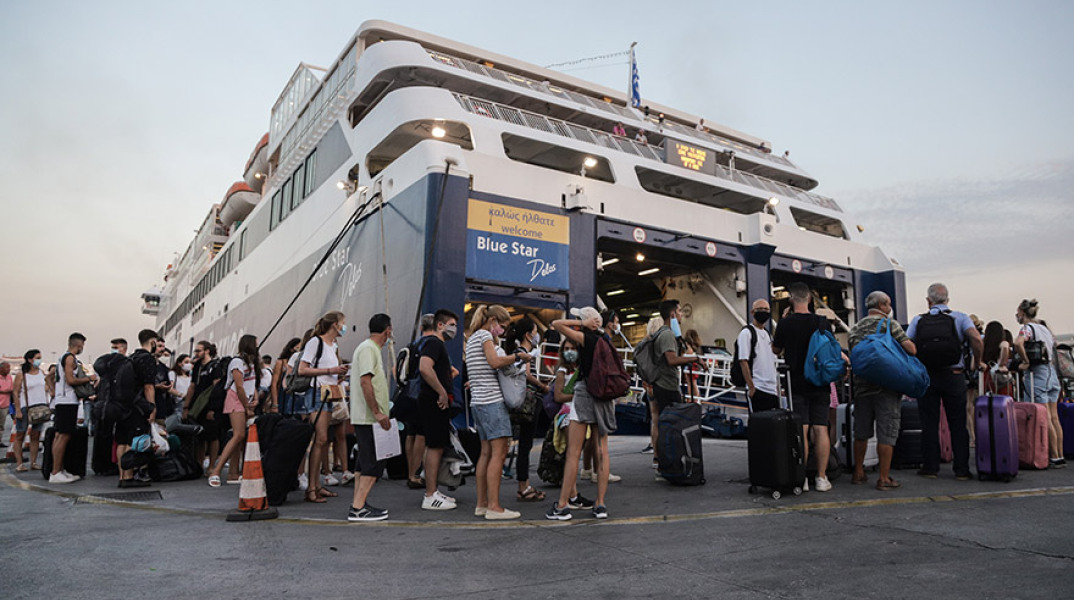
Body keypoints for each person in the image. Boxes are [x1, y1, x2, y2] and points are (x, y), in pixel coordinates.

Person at [546, 307, 617, 520]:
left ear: (587, 322)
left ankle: (562, 506)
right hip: (604, 395)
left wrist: (581, 326)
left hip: (585, 393)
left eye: (579, 318)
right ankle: (601, 504)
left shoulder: (585, 338)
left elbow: (556, 325)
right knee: (602, 449)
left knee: (573, 452)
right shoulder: (606, 340)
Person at [772, 282, 844, 492]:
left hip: (797, 383)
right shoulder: (822, 322)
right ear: (810, 299)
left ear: (790, 300)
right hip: (820, 382)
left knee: (801, 430)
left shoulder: (786, 323)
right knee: (821, 428)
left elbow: (776, 349)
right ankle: (821, 478)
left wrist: (784, 321)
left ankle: (801, 478)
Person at [906, 283, 981, 481]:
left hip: (928, 377)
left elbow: (906, 343)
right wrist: (977, 362)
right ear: (947, 299)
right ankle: (962, 470)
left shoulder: (918, 320)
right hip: (954, 375)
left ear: (928, 301)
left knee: (929, 423)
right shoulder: (960, 317)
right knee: (958, 423)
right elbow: (976, 339)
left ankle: (930, 468)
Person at [848, 291, 916, 490]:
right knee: (887, 432)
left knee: (861, 432)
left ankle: (858, 472)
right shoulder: (889, 324)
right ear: (883, 305)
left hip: (862, 387)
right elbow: (911, 349)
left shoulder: (855, 328)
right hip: (887, 387)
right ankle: (884, 478)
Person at [465, 305, 529, 520]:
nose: (502, 330)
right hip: (492, 402)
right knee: (499, 454)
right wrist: (518, 357)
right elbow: (494, 362)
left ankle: (482, 504)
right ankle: (494, 506)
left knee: (485, 453)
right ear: (492, 320)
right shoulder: (485, 336)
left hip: (478, 403)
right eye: (501, 326)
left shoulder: (473, 337)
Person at [297, 312, 349, 502]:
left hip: (328, 394)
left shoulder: (333, 345)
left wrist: (339, 375)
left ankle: (317, 485)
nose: (345, 327)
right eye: (343, 323)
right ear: (335, 325)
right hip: (317, 394)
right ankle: (311, 488)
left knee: (323, 439)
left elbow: (327, 372)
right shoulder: (315, 342)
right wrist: (331, 370)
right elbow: (303, 369)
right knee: (320, 439)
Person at [347, 313, 394, 522]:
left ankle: (359, 503)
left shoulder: (368, 348)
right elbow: (365, 381)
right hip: (369, 417)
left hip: (366, 417)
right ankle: (358, 508)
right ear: (388, 331)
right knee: (374, 463)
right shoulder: (368, 349)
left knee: (364, 462)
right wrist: (377, 411)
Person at [418, 309, 461, 511]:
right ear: (440, 325)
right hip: (435, 402)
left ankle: (433, 491)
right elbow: (425, 367)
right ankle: (430, 495)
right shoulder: (434, 343)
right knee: (435, 447)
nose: (455, 329)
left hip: (432, 401)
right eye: (451, 324)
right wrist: (442, 392)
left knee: (434, 446)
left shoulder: (435, 344)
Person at [504, 317, 550, 503]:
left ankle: (524, 484)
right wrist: (543, 387)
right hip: (528, 403)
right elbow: (528, 375)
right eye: (535, 331)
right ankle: (524, 486)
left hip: (519, 402)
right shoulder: (523, 352)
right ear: (528, 334)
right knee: (525, 446)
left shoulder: (516, 351)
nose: (537, 334)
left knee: (522, 445)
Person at [1013, 299, 1064, 468]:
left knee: (1044, 415)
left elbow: (1018, 343)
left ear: (1022, 312)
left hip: (1037, 374)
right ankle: (1060, 454)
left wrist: (1025, 361)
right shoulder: (1045, 329)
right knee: (1054, 416)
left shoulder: (1027, 329)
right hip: (1051, 373)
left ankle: (1052, 455)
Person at [208, 334, 262, 486]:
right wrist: (247, 407)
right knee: (238, 435)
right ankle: (216, 471)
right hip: (236, 400)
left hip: (246, 399)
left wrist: (255, 398)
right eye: (256, 344)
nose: (258, 346)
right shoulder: (237, 362)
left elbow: (250, 383)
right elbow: (238, 387)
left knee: (240, 438)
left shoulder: (251, 363)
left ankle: (233, 473)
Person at [117, 329, 161, 488]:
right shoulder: (147, 359)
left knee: (122, 441)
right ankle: (129, 476)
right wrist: (152, 408)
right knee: (133, 440)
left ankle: (122, 475)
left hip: (123, 405)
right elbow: (149, 386)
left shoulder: (131, 358)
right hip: (138, 406)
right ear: (153, 342)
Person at [51, 332, 96, 484]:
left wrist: (54, 391)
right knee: (63, 436)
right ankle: (56, 471)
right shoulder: (70, 358)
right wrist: (88, 378)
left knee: (59, 435)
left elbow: (52, 378)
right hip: (67, 401)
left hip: (61, 400)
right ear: (78, 345)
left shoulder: (61, 358)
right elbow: (70, 380)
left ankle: (58, 469)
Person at [403, 315, 436, 490]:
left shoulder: (413, 344)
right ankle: (415, 474)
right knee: (422, 436)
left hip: (410, 393)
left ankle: (410, 471)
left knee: (411, 433)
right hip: (424, 393)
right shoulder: (432, 344)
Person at [11, 350, 52, 472]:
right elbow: (15, 392)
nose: (39, 360)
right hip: (26, 408)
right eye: (37, 358)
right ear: (30, 359)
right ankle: (19, 463)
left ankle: (33, 462)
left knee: (35, 435)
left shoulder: (41, 373)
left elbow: (46, 387)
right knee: (20, 435)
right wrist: (17, 410)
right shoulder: (21, 375)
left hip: (40, 407)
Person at [182, 340, 220, 472]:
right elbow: (192, 387)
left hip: (209, 405)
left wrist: (213, 408)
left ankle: (211, 466)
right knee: (200, 436)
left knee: (212, 436)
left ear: (207, 351)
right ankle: (199, 464)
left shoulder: (215, 366)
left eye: (198, 351)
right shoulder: (197, 366)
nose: (196, 354)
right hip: (197, 406)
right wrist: (186, 407)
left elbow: (217, 387)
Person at [737, 299, 780, 412]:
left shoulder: (768, 334)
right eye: (759, 309)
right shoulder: (746, 333)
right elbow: (743, 360)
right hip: (758, 387)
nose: (763, 311)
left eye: (766, 309)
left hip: (772, 390)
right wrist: (751, 387)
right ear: (752, 312)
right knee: (760, 426)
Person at [270, 337, 302, 416]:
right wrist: (275, 404)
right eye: (297, 348)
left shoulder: (301, 362)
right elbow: (274, 384)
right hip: (284, 396)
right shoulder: (281, 362)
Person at [982, 321, 1013, 397]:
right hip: (1000, 374)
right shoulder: (1002, 343)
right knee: (1003, 399)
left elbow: (973, 365)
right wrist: (1001, 364)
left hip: (986, 374)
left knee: (988, 400)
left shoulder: (983, 344)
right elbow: (1005, 346)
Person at [0, 362, 12, 445]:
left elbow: (12, 388)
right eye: (7, 368)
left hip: (5, 404)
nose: (9, 370)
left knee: (1, 424)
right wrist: (5, 391)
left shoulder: (9, 377)